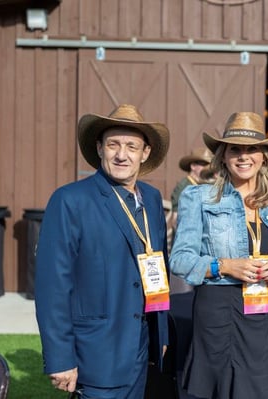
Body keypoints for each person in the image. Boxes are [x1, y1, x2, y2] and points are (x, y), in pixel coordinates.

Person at [35, 104, 170, 398]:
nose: (122, 155)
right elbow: (52, 287)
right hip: (96, 352)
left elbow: (159, 265)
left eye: (132, 146)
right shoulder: (70, 200)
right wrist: (60, 358)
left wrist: (160, 332)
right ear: (99, 148)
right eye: (113, 145)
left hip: (141, 348)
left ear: (145, 153)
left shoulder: (152, 197)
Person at [169, 111, 268, 399]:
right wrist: (224, 265)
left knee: (259, 388)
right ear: (223, 156)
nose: (243, 156)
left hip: (262, 312)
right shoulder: (199, 198)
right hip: (217, 310)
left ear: (264, 156)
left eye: (251, 149)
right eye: (235, 149)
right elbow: (179, 259)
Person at [171, 147, 214, 215]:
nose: (207, 168)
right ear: (193, 166)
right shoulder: (183, 186)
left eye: (209, 165)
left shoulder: (206, 185)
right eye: (204, 164)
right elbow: (175, 217)